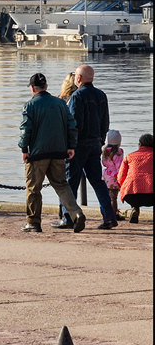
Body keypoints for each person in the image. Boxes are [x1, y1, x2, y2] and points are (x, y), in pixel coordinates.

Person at [18, 72, 85, 234]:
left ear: (32, 88)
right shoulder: (60, 103)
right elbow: (71, 126)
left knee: (33, 188)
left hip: (37, 154)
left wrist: (24, 149)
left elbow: (26, 130)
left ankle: (33, 223)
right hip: (58, 152)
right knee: (62, 185)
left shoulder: (30, 106)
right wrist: (71, 147)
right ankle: (76, 214)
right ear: (46, 86)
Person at [63, 64, 115, 230]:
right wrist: (100, 140)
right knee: (98, 182)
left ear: (78, 78)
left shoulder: (77, 96)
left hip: (78, 145)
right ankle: (109, 216)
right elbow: (105, 122)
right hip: (94, 144)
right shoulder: (101, 95)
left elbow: (73, 124)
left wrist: (70, 145)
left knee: (71, 181)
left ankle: (69, 217)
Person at [116, 132, 153, 223]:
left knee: (133, 188)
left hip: (131, 194)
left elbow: (120, 177)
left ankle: (135, 209)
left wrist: (124, 188)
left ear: (140, 144)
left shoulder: (129, 156)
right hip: (152, 194)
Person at [101, 130, 124, 221]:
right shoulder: (119, 152)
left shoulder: (105, 151)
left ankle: (107, 212)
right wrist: (121, 178)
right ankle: (114, 214)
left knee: (107, 196)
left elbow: (104, 163)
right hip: (115, 177)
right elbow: (119, 166)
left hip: (106, 175)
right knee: (113, 197)